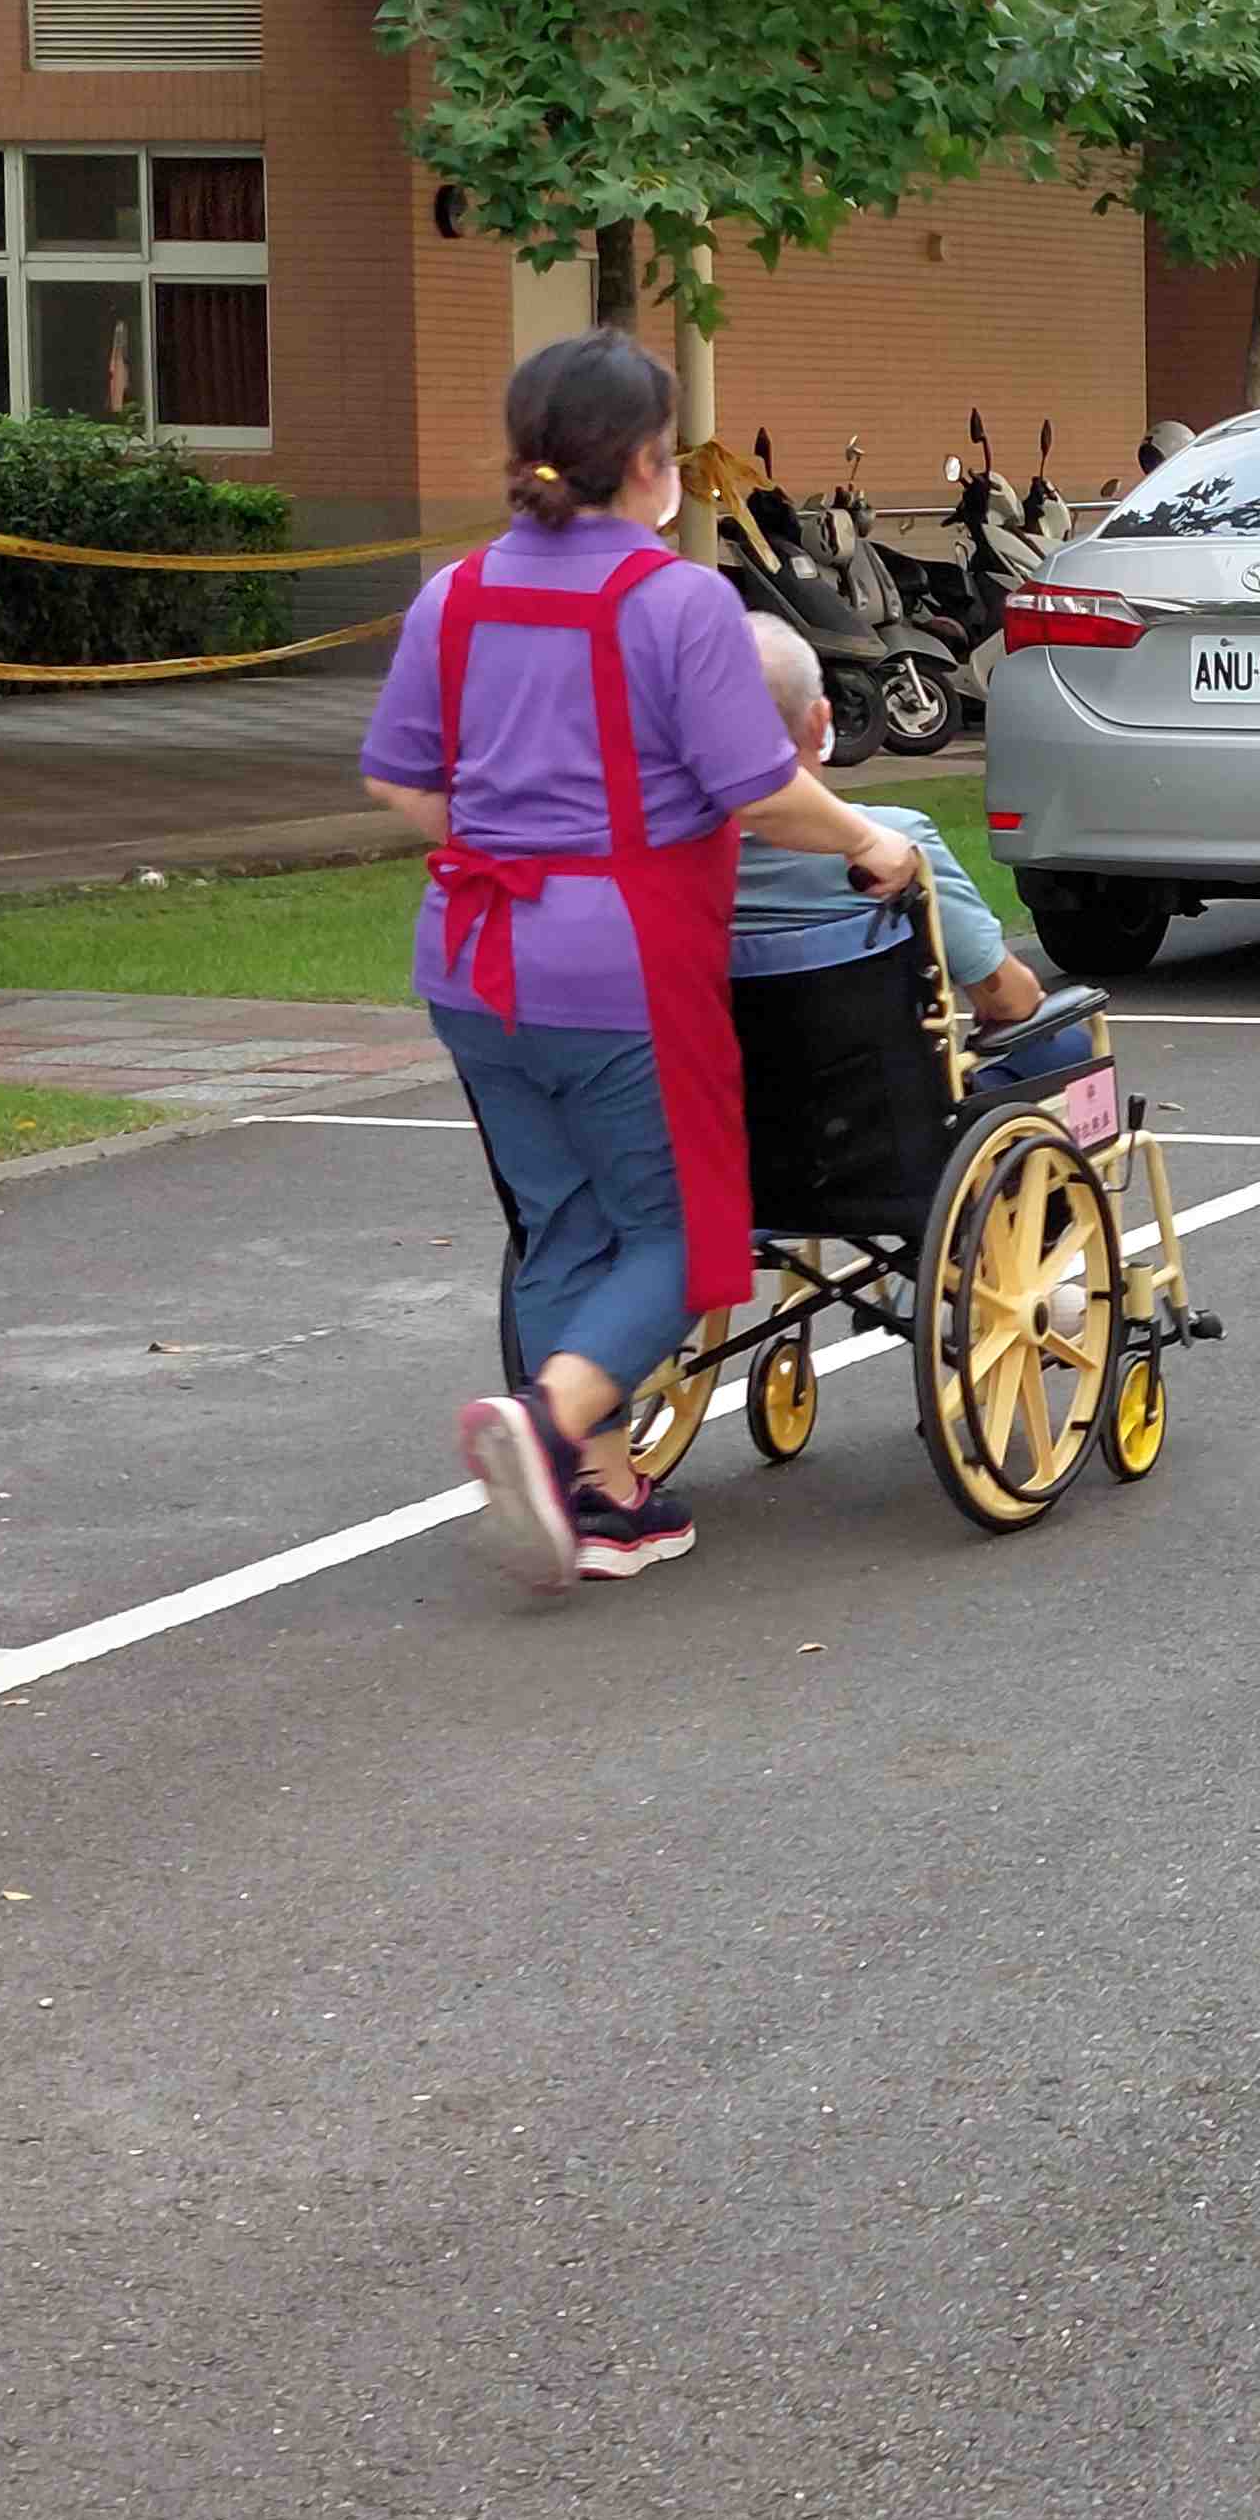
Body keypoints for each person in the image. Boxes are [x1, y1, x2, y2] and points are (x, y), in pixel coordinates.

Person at [361, 329, 928, 1591]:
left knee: (562, 1218)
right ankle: (550, 1420)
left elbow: (404, 782)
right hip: (618, 962)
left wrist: (514, 843)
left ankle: (607, 1499)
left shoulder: (453, 593)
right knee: (684, 1233)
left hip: (470, 955)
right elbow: (765, 795)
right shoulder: (678, 603)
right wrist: (873, 840)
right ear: (648, 463)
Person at [732, 616, 1044, 1032]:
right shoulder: (894, 844)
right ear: (821, 722)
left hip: (705, 1089)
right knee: (1065, 1045)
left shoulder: (660, 858)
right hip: (881, 1085)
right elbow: (1008, 999)